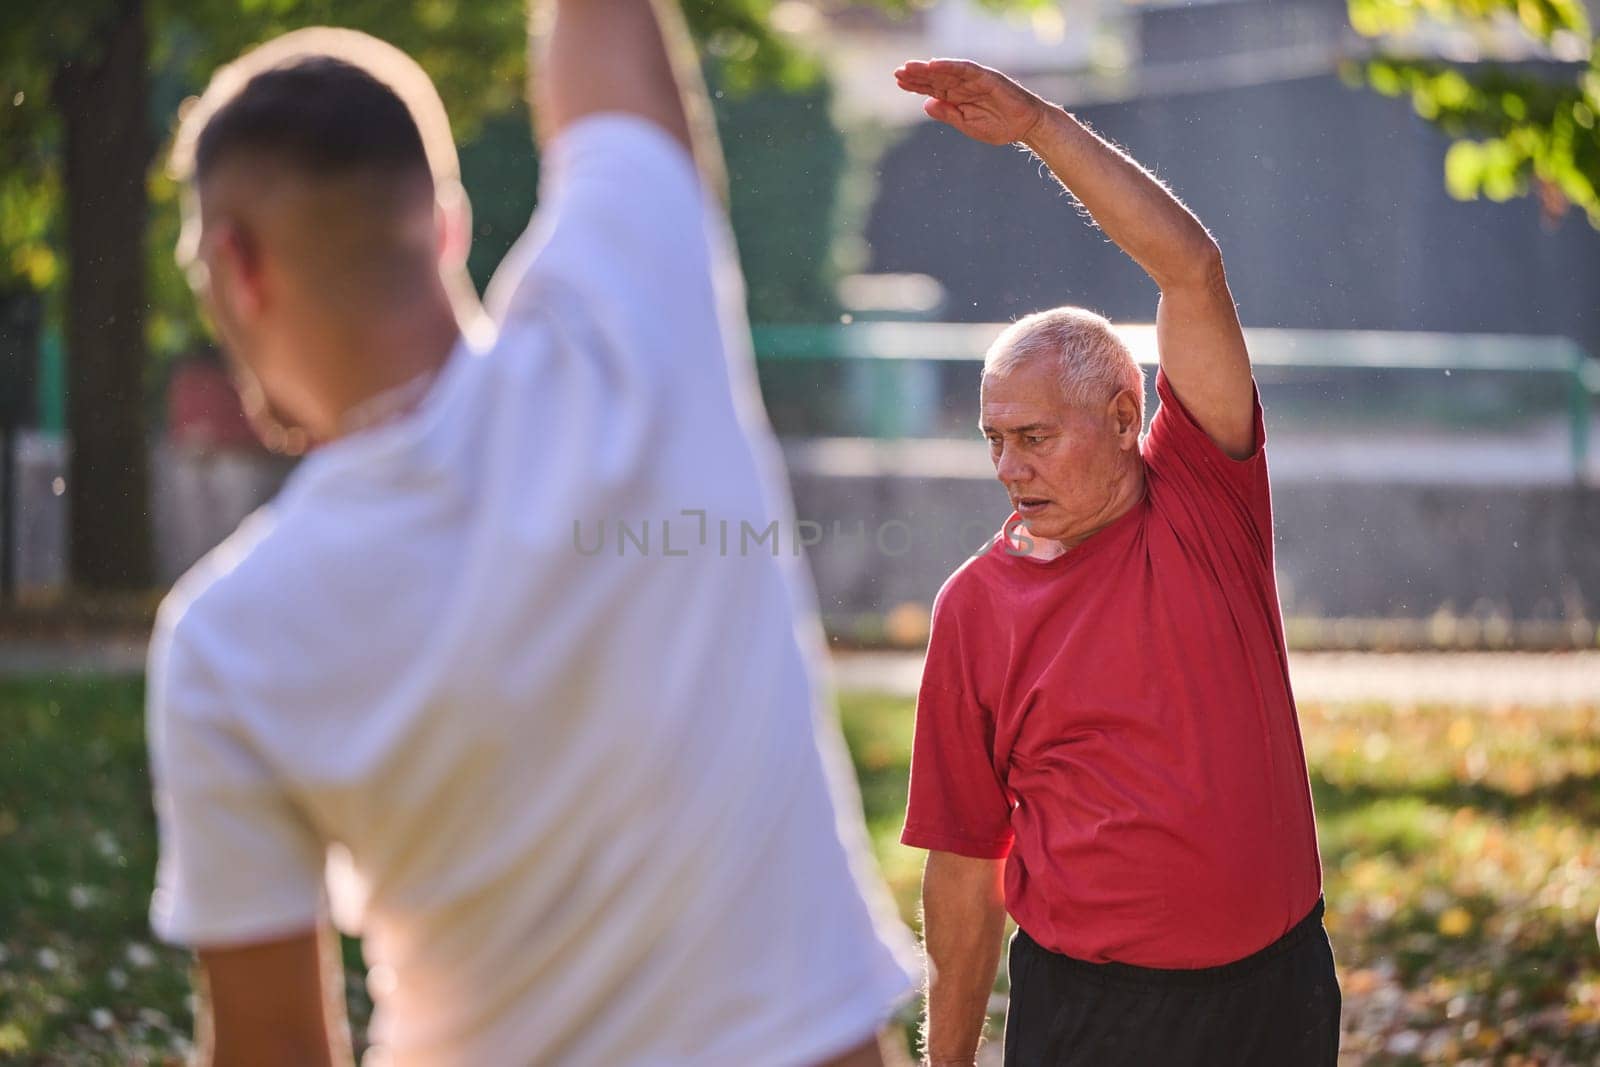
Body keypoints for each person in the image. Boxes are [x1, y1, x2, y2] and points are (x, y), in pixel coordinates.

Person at [145, 7, 917, 1065]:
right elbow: (605, 40)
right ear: (449, 223)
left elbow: (272, 1046)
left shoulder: (227, 642)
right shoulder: (633, 328)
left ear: (237, 265)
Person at [892, 59, 1339, 1066]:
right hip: (1092, 1017)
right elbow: (964, 870)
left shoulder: (1206, 496)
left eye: (1036, 438)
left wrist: (1041, 127)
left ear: (1124, 417)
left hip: (1276, 992)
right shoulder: (974, 607)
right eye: (992, 438)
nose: (1007, 467)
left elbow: (1189, 267)